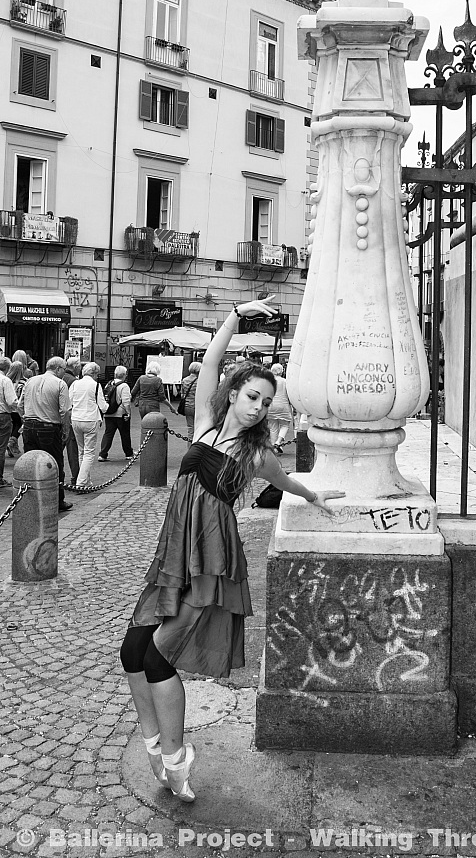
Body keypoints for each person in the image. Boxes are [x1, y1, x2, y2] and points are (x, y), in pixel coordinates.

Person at [119, 297, 344, 803]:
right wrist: (237, 316)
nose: (259, 406)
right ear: (234, 394)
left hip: (214, 558)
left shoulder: (257, 453)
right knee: (132, 649)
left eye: (266, 401)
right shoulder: (205, 422)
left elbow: (290, 482)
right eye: (252, 396)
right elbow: (216, 359)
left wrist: (314, 495)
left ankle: (176, 761)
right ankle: (155, 743)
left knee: (157, 657)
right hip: (176, 549)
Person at [19, 356, 72, 512]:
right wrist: (66, 430)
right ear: (57, 369)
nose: (64, 372)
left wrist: (27, 418)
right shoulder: (60, 384)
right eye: (64, 369)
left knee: (32, 464)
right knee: (54, 464)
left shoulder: (30, 381)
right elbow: (65, 411)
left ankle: (32, 498)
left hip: (29, 427)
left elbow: (19, 405)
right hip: (49, 428)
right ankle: (57, 500)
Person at [69, 362, 108, 490]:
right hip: (90, 419)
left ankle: (85, 480)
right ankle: (81, 482)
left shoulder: (75, 384)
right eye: (97, 374)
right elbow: (103, 406)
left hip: (76, 419)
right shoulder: (96, 385)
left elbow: (69, 402)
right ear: (94, 373)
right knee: (89, 453)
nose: (98, 377)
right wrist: (108, 406)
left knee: (81, 451)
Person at [98, 366, 134, 463]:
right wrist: (128, 413)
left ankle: (102, 454)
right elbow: (126, 401)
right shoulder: (124, 386)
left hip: (109, 413)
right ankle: (128, 453)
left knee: (108, 434)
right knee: (125, 434)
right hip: (120, 413)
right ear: (125, 375)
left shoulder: (109, 384)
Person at [61, 356, 82, 488]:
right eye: (79, 367)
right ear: (75, 367)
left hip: (56, 418)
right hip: (68, 418)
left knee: (58, 449)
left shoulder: (61, 377)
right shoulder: (73, 381)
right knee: (72, 449)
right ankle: (76, 477)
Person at [266, 362, 294, 454]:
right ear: (281, 371)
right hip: (283, 405)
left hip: (271, 406)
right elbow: (289, 394)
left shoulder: (269, 382)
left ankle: (274, 446)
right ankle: (278, 442)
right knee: (285, 425)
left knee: (273, 427)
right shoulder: (285, 382)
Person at [0, 356, 19, 487]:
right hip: (2, 415)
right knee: (1, 448)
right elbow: (12, 401)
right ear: (7, 368)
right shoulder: (5, 381)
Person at [5, 359, 27, 463]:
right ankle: (11, 441)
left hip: (7, 409)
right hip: (18, 409)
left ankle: (10, 443)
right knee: (19, 425)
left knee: (12, 425)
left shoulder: (6, 381)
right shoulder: (23, 383)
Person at [178, 361, 201, 443]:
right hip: (197, 406)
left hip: (187, 406)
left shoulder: (184, 380)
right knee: (198, 428)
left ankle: (189, 447)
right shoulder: (200, 381)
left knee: (190, 429)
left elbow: (182, 394)